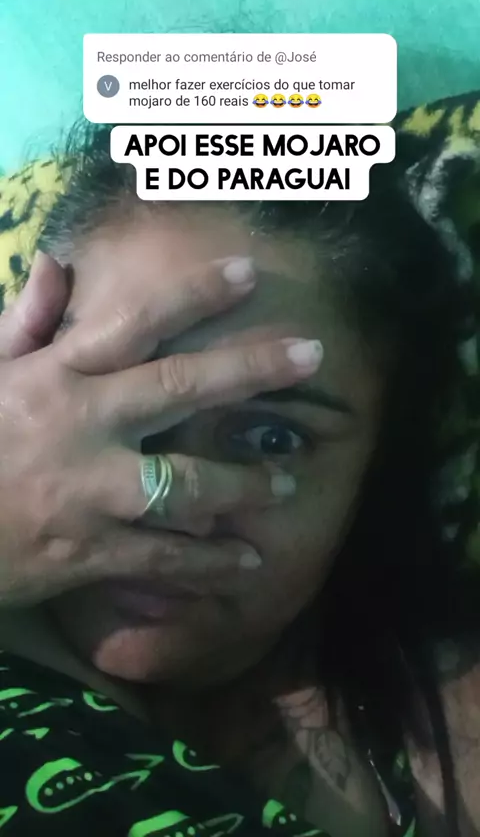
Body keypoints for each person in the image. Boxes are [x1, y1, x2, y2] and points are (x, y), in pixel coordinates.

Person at [0, 123, 478, 837]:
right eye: (117, 402)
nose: (164, 500)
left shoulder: (449, 740)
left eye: (270, 438)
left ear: (374, 468)